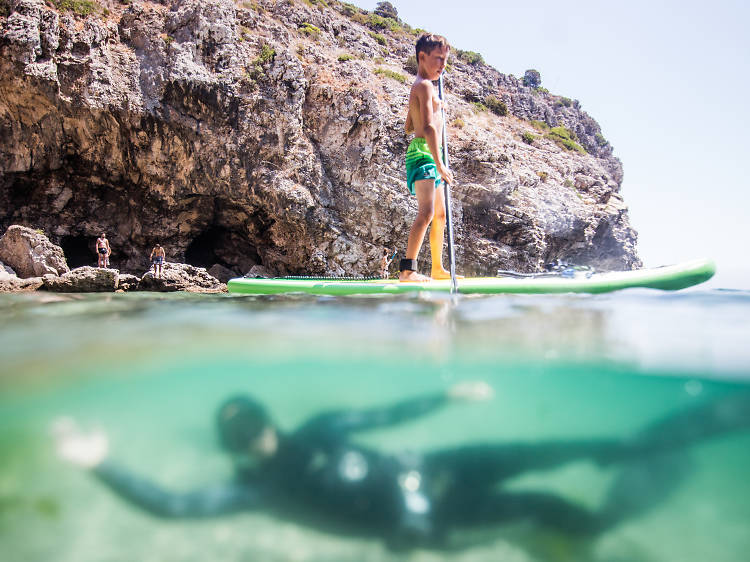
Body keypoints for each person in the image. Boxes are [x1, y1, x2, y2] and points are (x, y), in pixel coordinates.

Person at [53, 383, 750, 550]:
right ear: (236, 447)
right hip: (432, 518)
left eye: (256, 424)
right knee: (563, 517)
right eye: (243, 435)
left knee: (563, 449)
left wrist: (444, 395)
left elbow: (383, 420)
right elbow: (175, 507)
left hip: (439, 464)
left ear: (268, 420)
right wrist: (100, 464)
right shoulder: (257, 489)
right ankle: (602, 524)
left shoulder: (318, 428)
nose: (256, 438)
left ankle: (687, 429)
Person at [400, 33, 455, 282]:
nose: (442, 65)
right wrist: (441, 164)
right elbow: (429, 129)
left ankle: (437, 268)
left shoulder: (424, 87)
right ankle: (407, 270)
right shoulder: (423, 85)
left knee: (440, 215)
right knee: (426, 213)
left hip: (430, 153)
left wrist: (434, 104)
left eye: (445, 60)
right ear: (422, 57)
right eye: (438, 59)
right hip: (425, 154)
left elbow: (409, 125)